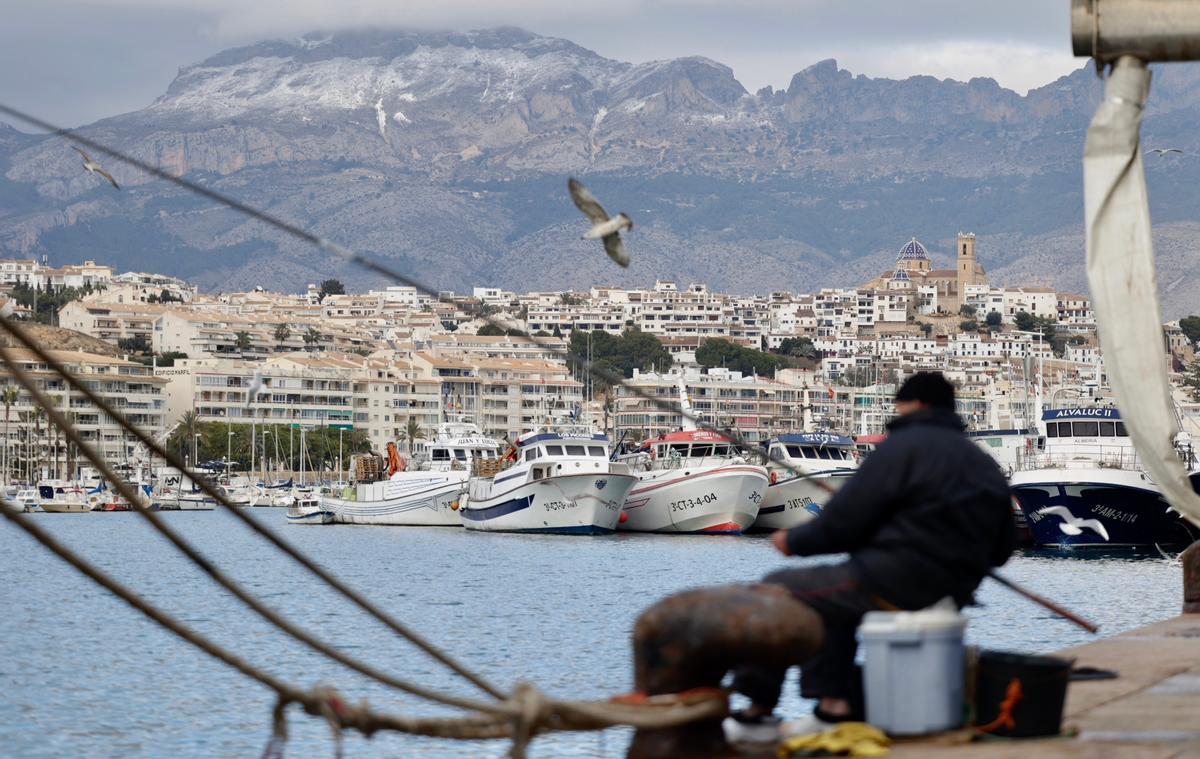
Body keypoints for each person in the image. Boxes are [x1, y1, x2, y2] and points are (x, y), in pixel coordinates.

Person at [725, 371, 1016, 742]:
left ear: (917, 404)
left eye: (900, 403)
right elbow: (1003, 549)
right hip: (954, 590)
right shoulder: (982, 462)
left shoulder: (904, 447)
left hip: (895, 581)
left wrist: (794, 541)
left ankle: (757, 713)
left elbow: (844, 520)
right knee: (829, 601)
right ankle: (833, 708)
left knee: (775, 590)